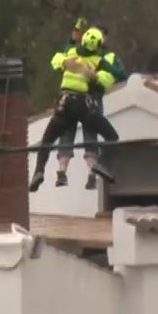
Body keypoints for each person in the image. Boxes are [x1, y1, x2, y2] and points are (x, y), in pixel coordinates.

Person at [30, 26, 121, 192]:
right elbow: (113, 77)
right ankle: (100, 164)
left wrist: (65, 62)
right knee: (112, 136)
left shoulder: (70, 52)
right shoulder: (98, 60)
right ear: (99, 45)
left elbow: (55, 59)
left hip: (64, 104)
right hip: (83, 105)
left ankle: (38, 172)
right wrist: (94, 75)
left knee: (47, 141)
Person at [54, 20, 127, 189]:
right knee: (77, 134)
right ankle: (69, 172)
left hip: (83, 98)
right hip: (84, 99)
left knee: (83, 135)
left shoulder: (102, 56)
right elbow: (63, 59)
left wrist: (100, 71)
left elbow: (120, 73)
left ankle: (85, 174)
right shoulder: (83, 52)